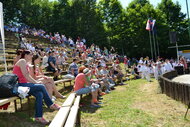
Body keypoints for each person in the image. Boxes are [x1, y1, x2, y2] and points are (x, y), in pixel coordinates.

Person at [13, 50, 60, 124]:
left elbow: (28, 76)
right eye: (31, 54)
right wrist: (36, 82)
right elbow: (26, 75)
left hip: (25, 85)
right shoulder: (22, 61)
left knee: (39, 94)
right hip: (20, 85)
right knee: (41, 86)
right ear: (25, 55)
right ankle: (50, 104)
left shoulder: (26, 63)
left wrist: (36, 80)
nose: (32, 56)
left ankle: (38, 117)